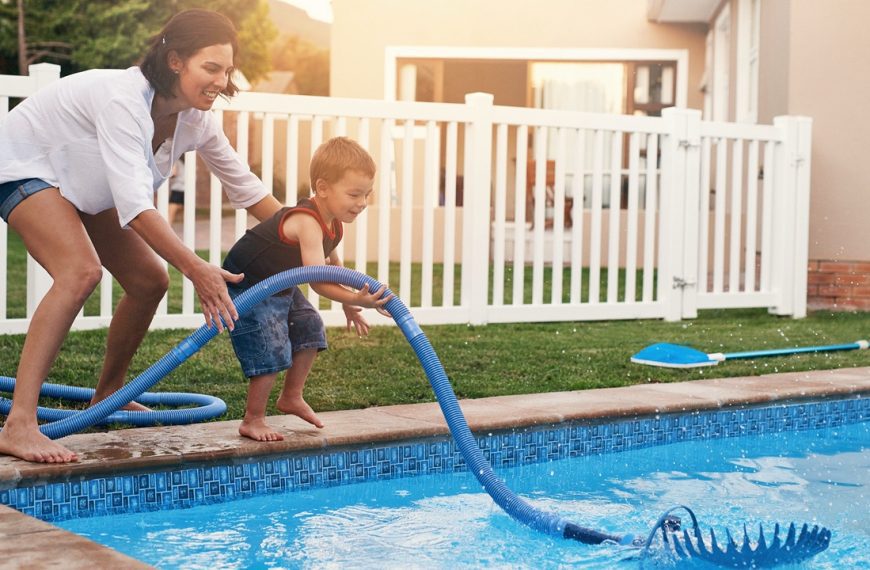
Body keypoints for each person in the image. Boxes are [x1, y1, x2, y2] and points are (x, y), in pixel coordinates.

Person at [0, 9, 284, 463]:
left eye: (227, 70)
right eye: (211, 68)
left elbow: (245, 187)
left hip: (84, 186)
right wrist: (197, 269)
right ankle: (19, 424)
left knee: (150, 280)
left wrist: (312, 236)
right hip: (26, 165)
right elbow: (135, 207)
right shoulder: (124, 99)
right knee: (79, 272)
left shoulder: (196, 119)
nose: (221, 80)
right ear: (175, 61)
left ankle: (106, 396)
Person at [222, 137, 392, 442]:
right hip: (247, 284)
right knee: (272, 345)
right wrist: (356, 298)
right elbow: (316, 277)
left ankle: (291, 396)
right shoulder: (306, 220)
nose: (362, 202)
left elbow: (332, 265)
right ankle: (253, 419)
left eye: (367, 194)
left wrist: (348, 303)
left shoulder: (334, 222)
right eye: (354, 194)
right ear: (323, 188)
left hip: (278, 284)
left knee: (311, 327)